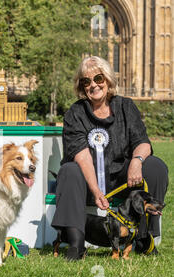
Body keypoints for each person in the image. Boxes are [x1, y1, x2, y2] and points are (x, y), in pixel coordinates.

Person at [51, 56, 168, 260]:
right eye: (86, 82)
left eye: (98, 78)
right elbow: (82, 155)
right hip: (87, 182)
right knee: (69, 170)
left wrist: (136, 162)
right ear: (81, 87)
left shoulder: (126, 106)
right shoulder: (74, 113)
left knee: (155, 166)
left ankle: (142, 237)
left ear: (108, 80)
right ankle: (76, 242)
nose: (93, 85)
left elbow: (143, 142)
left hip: (122, 177)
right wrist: (96, 190)